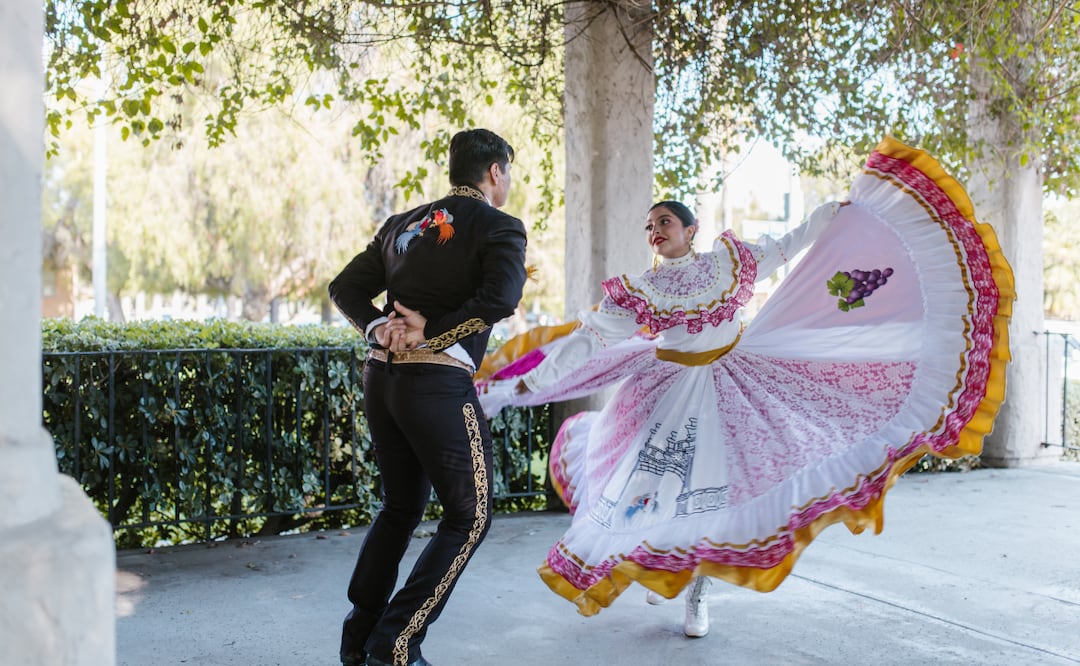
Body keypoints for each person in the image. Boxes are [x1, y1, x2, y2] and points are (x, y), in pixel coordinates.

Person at [478, 137, 1014, 637]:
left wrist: (833, 215)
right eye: (650, 226)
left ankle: (696, 593)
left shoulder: (727, 265)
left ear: (691, 229)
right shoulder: (642, 289)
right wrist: (527, 381)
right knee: (660, 495)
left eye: (665, 221)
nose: (656, 231)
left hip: (733, 387)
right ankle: (666, 574)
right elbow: (591, 339)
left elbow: (787, 246)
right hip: (663, 393)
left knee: (719, 495)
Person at [329, 128, 528, 666]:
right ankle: (395, 642)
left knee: (400, 507)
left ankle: (360, 637)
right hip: (438, 385)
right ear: (494, 172)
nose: (508, 182)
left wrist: (377, 328)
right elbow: (502, 297)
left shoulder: (401, 226)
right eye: (508, 172)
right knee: (472, 514)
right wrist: (431, 333)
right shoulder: (500, 226)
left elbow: (343, 288)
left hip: (383, 382)